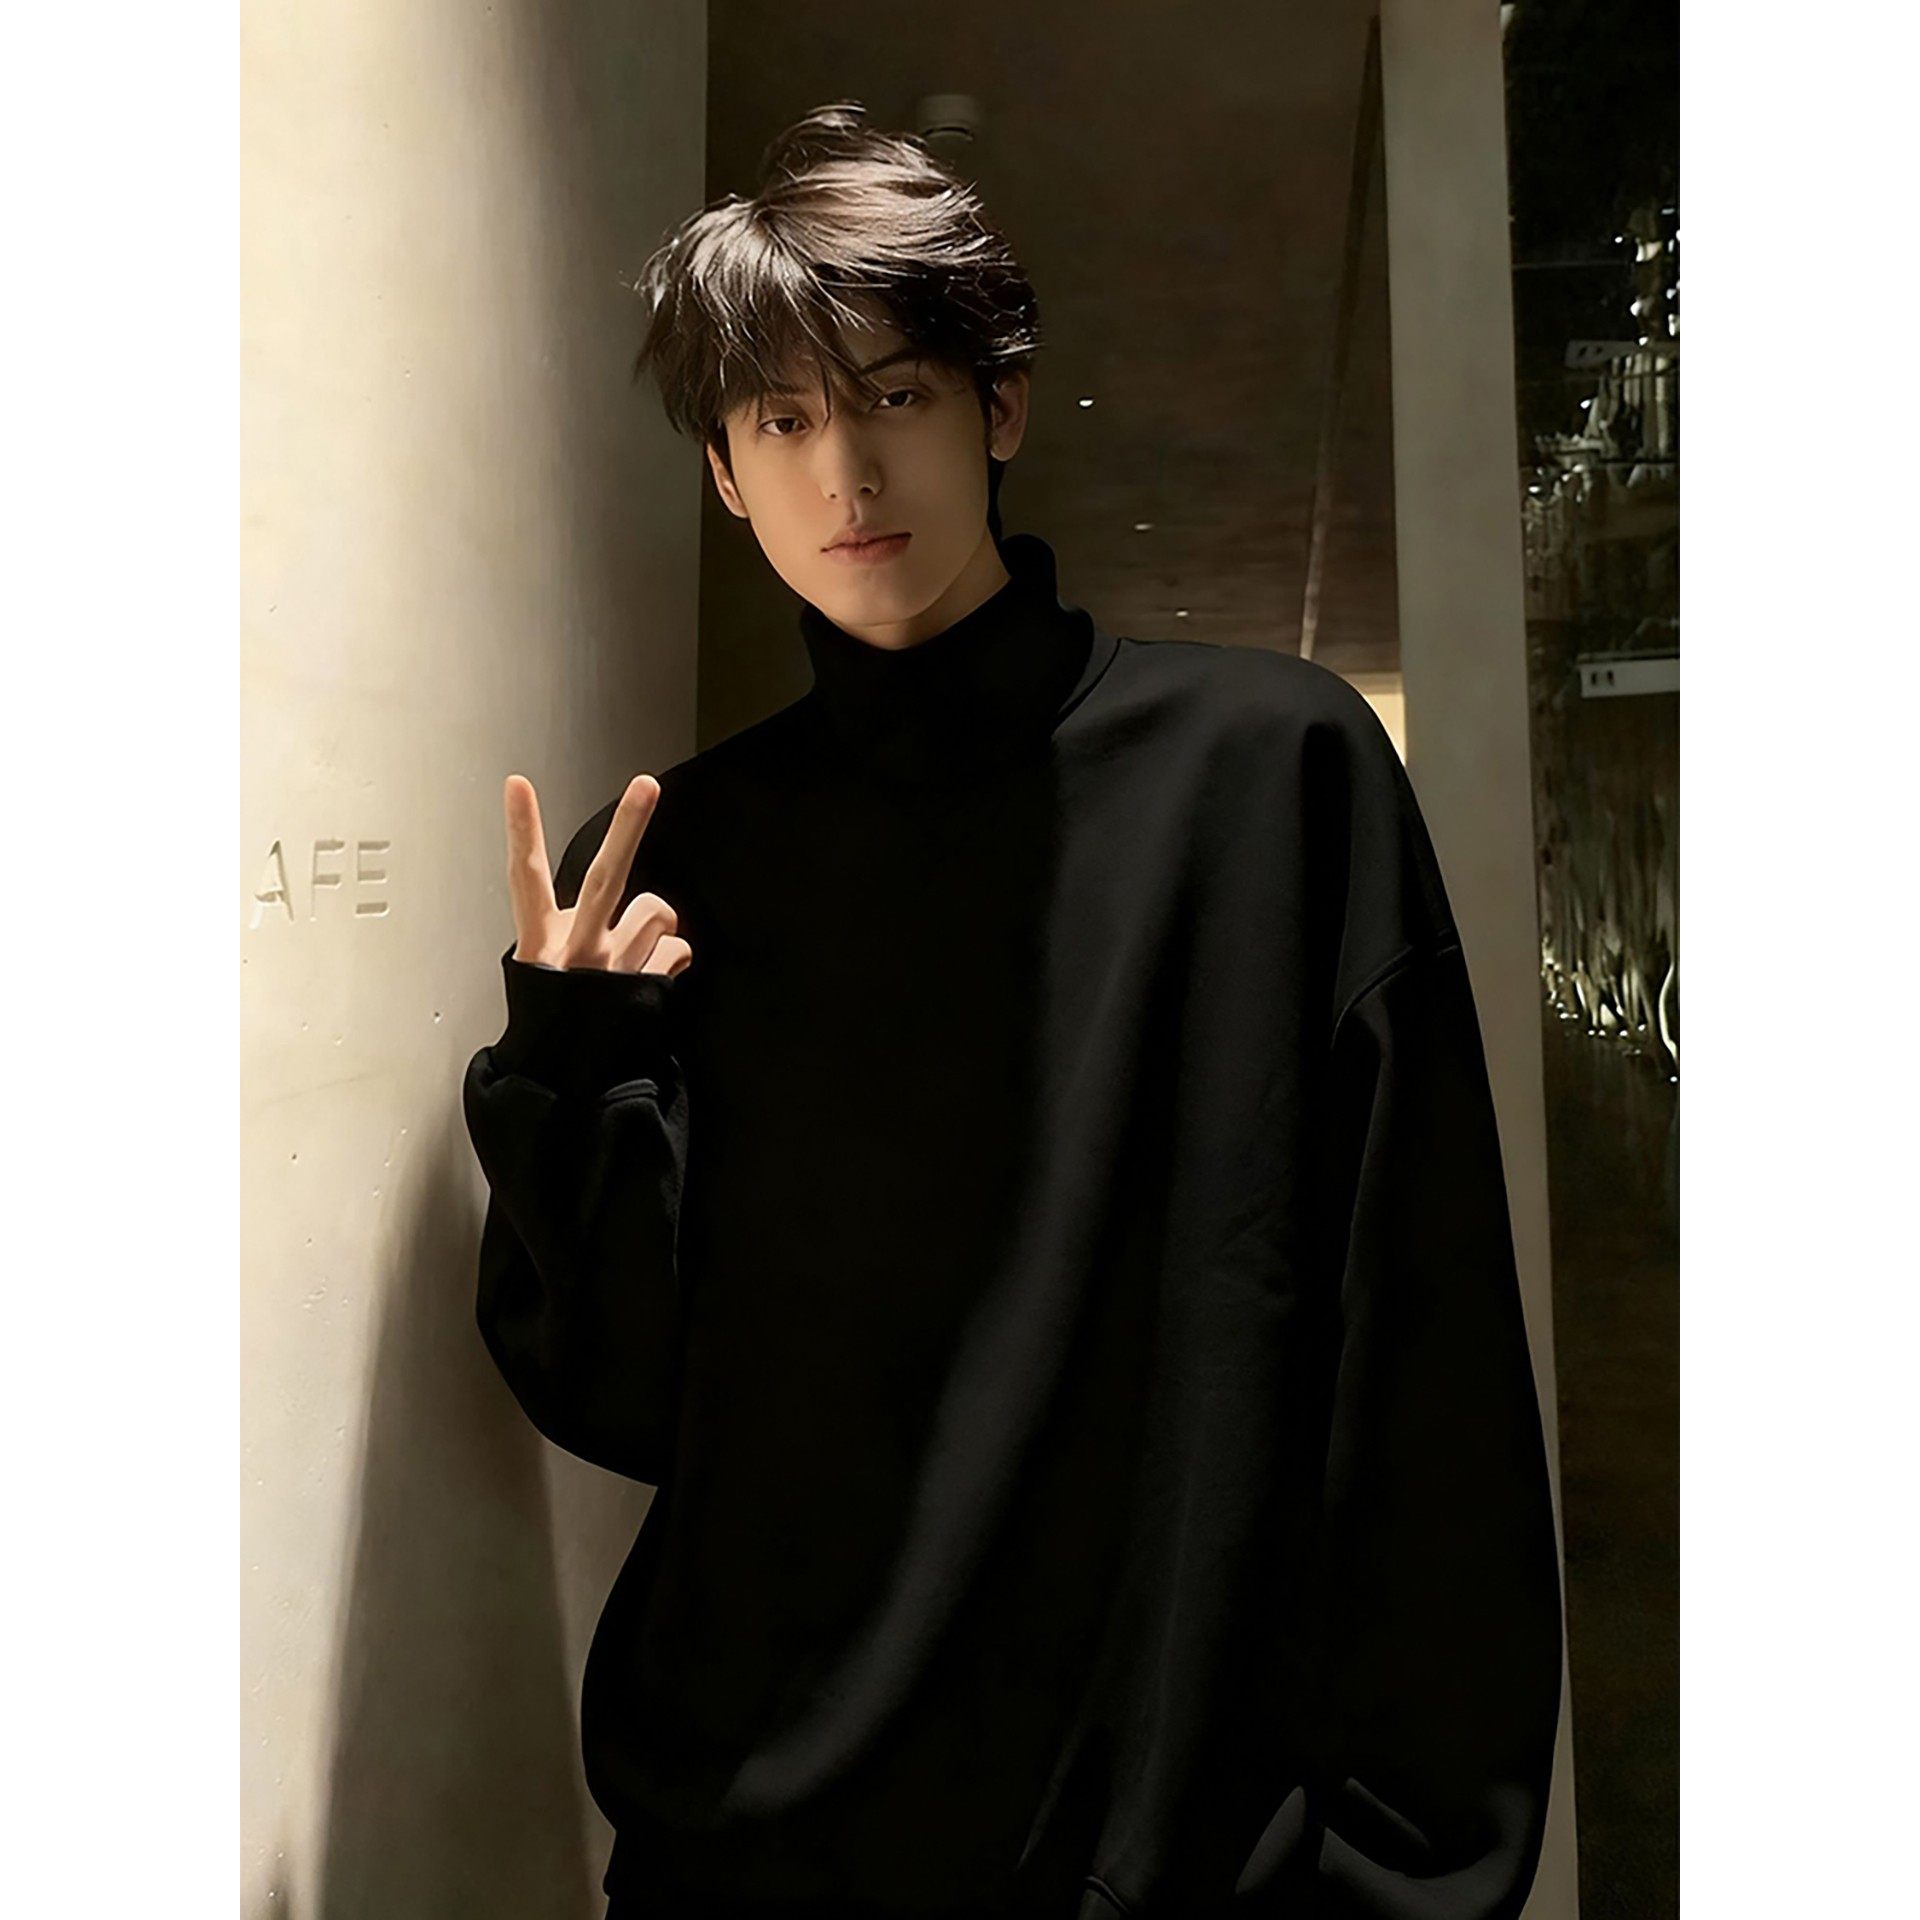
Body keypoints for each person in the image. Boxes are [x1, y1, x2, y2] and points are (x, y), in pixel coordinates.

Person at [462, 101, 1563, 1920]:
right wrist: (569, 1081)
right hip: (751, 1862)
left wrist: (1415, 1873)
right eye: (781, 422)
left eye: (893, 394)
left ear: (1002, 407)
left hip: (1177, 1867)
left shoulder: (1269, 778)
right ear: (723, 474)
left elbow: (1423, 1369)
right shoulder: (675, 866)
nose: (845, 474)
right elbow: (631, 1404)